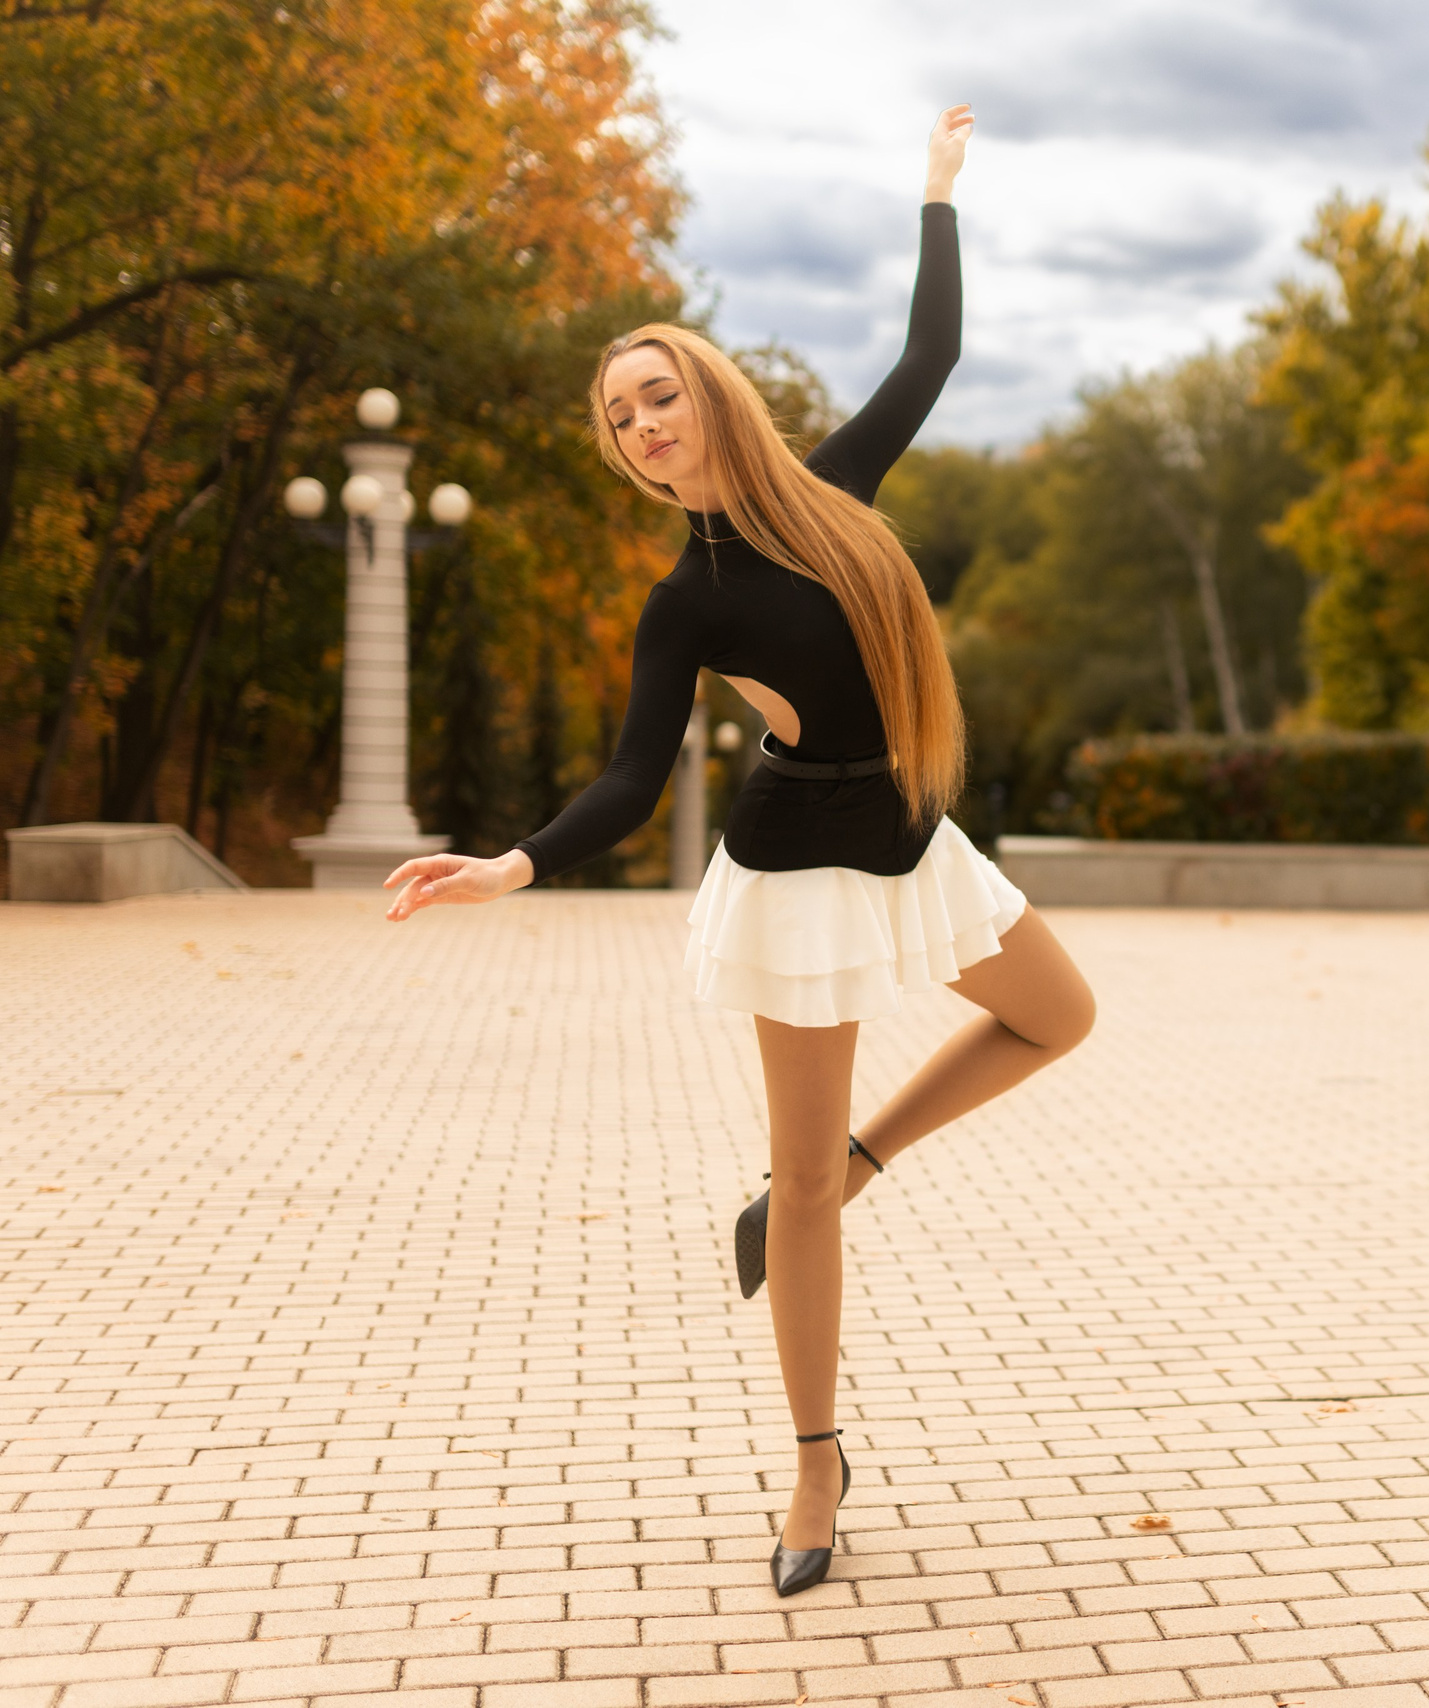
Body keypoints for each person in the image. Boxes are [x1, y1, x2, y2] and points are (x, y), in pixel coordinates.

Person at [381, 104, 1094, 1601]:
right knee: (812, 1205)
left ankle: (835, 1168)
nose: (640, 427)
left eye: (656, 396)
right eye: (619, 419)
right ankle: (817, 1461)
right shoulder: (683, 605)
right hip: (792, 877)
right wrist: (512, 866)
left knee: (1056, 1013)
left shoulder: (833, 497)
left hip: (904, 829)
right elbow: (636, 778)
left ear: (708, 394)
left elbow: (931, 361)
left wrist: (938, 192)